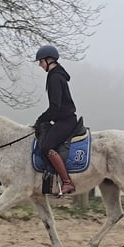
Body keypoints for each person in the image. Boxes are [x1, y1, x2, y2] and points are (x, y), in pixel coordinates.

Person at [33, 44, 77, 195]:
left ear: (48, 60)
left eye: (40, 61)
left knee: (46, 147)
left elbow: (55, 107)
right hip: (62, 119)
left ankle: (67, 182)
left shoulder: (55, 77)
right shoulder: (56, 75)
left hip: (66, 120)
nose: (40, 65)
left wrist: (40, 120)